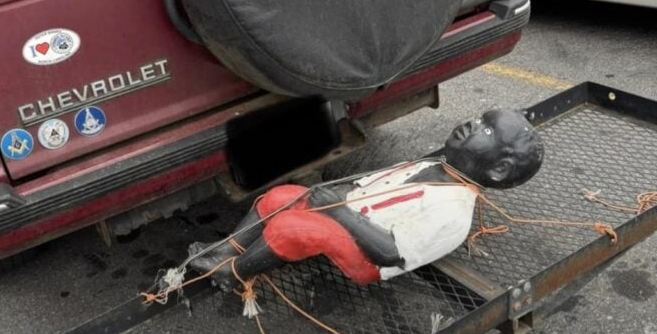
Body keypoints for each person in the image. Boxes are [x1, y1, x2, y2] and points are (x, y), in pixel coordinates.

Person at [189, 109, 544, 288]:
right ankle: (228, 249)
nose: (470, 124)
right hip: (355, 216)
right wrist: (340, 197)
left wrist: (340, 211)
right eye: (480, 117)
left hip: (369, 259)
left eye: (485, 130)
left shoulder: (452, 212)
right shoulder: (436, 165)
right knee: (282, 196)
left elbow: (392, 252)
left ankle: (233, 274)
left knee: (295, 229)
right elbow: (372, 185)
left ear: (498, 169)